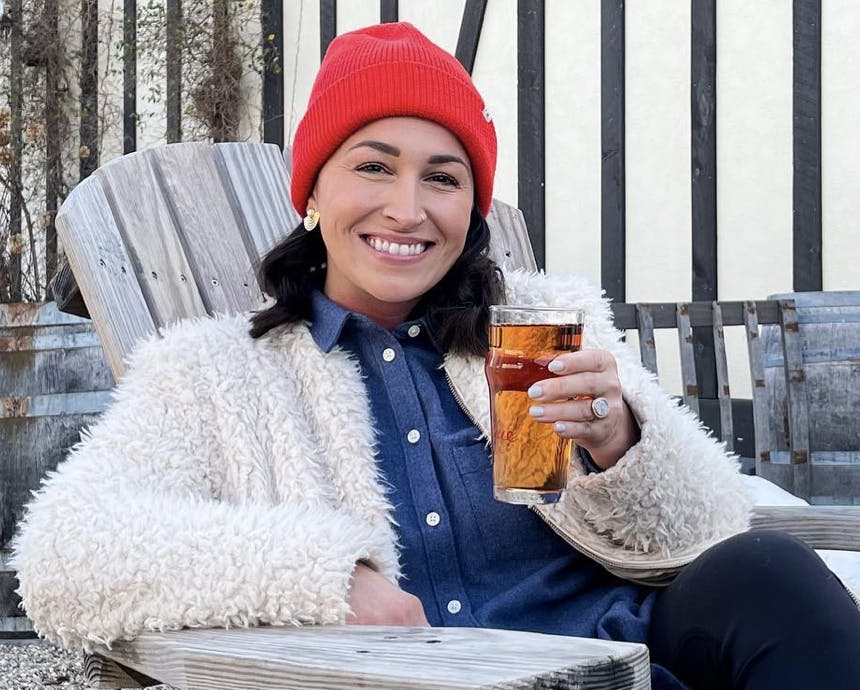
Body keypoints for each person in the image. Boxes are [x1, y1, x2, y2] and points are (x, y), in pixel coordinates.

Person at [12, 22, 860, 690]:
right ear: (311, 192)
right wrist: (320, 578)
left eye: (443, 178)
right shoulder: (218, 376)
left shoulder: (534, 327)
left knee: (771, 574)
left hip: (627, 664)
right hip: (415, 681)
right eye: (373, 167)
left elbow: (706, 527)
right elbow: (67, 554)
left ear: (472, 210)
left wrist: (621, 443)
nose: (407, 209)